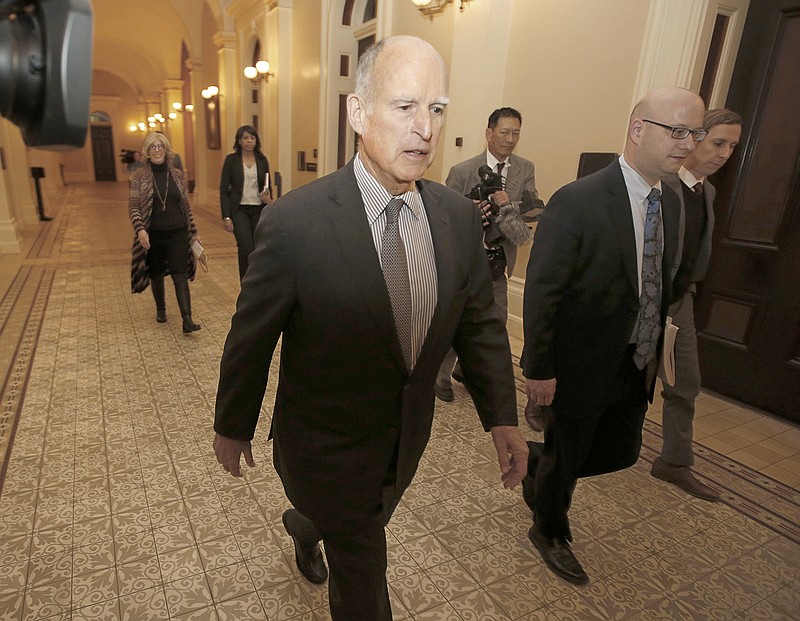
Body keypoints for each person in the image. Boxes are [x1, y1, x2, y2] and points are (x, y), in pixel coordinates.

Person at [212, 35, 528, 620]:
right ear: (358, 112)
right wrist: (233, 424)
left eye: (436, 109)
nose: (426, 129)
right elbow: (250, 339)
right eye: (405, 107)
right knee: (362, 565)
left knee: (347, 520)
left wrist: (501, 417)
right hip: (324, 443)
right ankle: (321, 527)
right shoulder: (294, 223)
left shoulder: (458, 221)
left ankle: (305, 526)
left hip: (403, 439)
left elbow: (479, 324)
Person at [521, 86, 705, 585]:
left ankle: (542, 461)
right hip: (581, 362)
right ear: (638, 128)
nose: (688, 144)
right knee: (571, 453)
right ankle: (549, 529)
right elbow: (543, 292)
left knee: (618, 452)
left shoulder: (672, 203)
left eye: (696, 133)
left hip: (635, 361)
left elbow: (660, 281)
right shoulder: (578, 200)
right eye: (678, 131)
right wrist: (538, 370)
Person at [651, 108, 742, 501]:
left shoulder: (706, 191)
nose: (724, 153)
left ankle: (674, 460)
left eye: (733, 147)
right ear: (694, 138)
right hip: (644, 299)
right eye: (718, 142)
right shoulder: (660, 186)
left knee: (685, 381)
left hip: (680, 300)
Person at [435, 108, 544, 410]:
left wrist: (510, 205)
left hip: (498, 263)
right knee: (454, 321)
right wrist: (470, 211)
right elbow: (443, 219)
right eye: (504, 132)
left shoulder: (525, 169)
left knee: (494, 325)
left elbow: (532, 213)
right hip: (465, 262)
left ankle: (470, 372)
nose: (510, 139)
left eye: (516, 133)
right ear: (489, 133)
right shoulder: (462, 171)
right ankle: (441, 375)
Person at [129, 132, 201, 333]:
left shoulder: (177, 175)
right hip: (154, 234)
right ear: (147, 152)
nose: (157, 150)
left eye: (160, 146)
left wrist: (193, 232)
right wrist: (141, 229)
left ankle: (187, 319)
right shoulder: (140, 176)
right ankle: (161, 309)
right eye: (153, 147)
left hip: (178, 231)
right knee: (157, 272)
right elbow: (134, 205)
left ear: (166, 150)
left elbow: (185, 206)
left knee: (180, 272)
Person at [219, 125, 273, 279]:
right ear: (239, 141)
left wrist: (269, 201)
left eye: (252, 138)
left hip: (258, 209)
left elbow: (267, 186)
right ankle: (246, 282)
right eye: (245, 138)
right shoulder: (231, 160)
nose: (249, 141)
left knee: (258, 247)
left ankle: (258, 280)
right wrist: (226, 216)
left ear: (256, 141)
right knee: (246, 247)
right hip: (239, 209)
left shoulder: (262, 160)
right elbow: (224, 189)